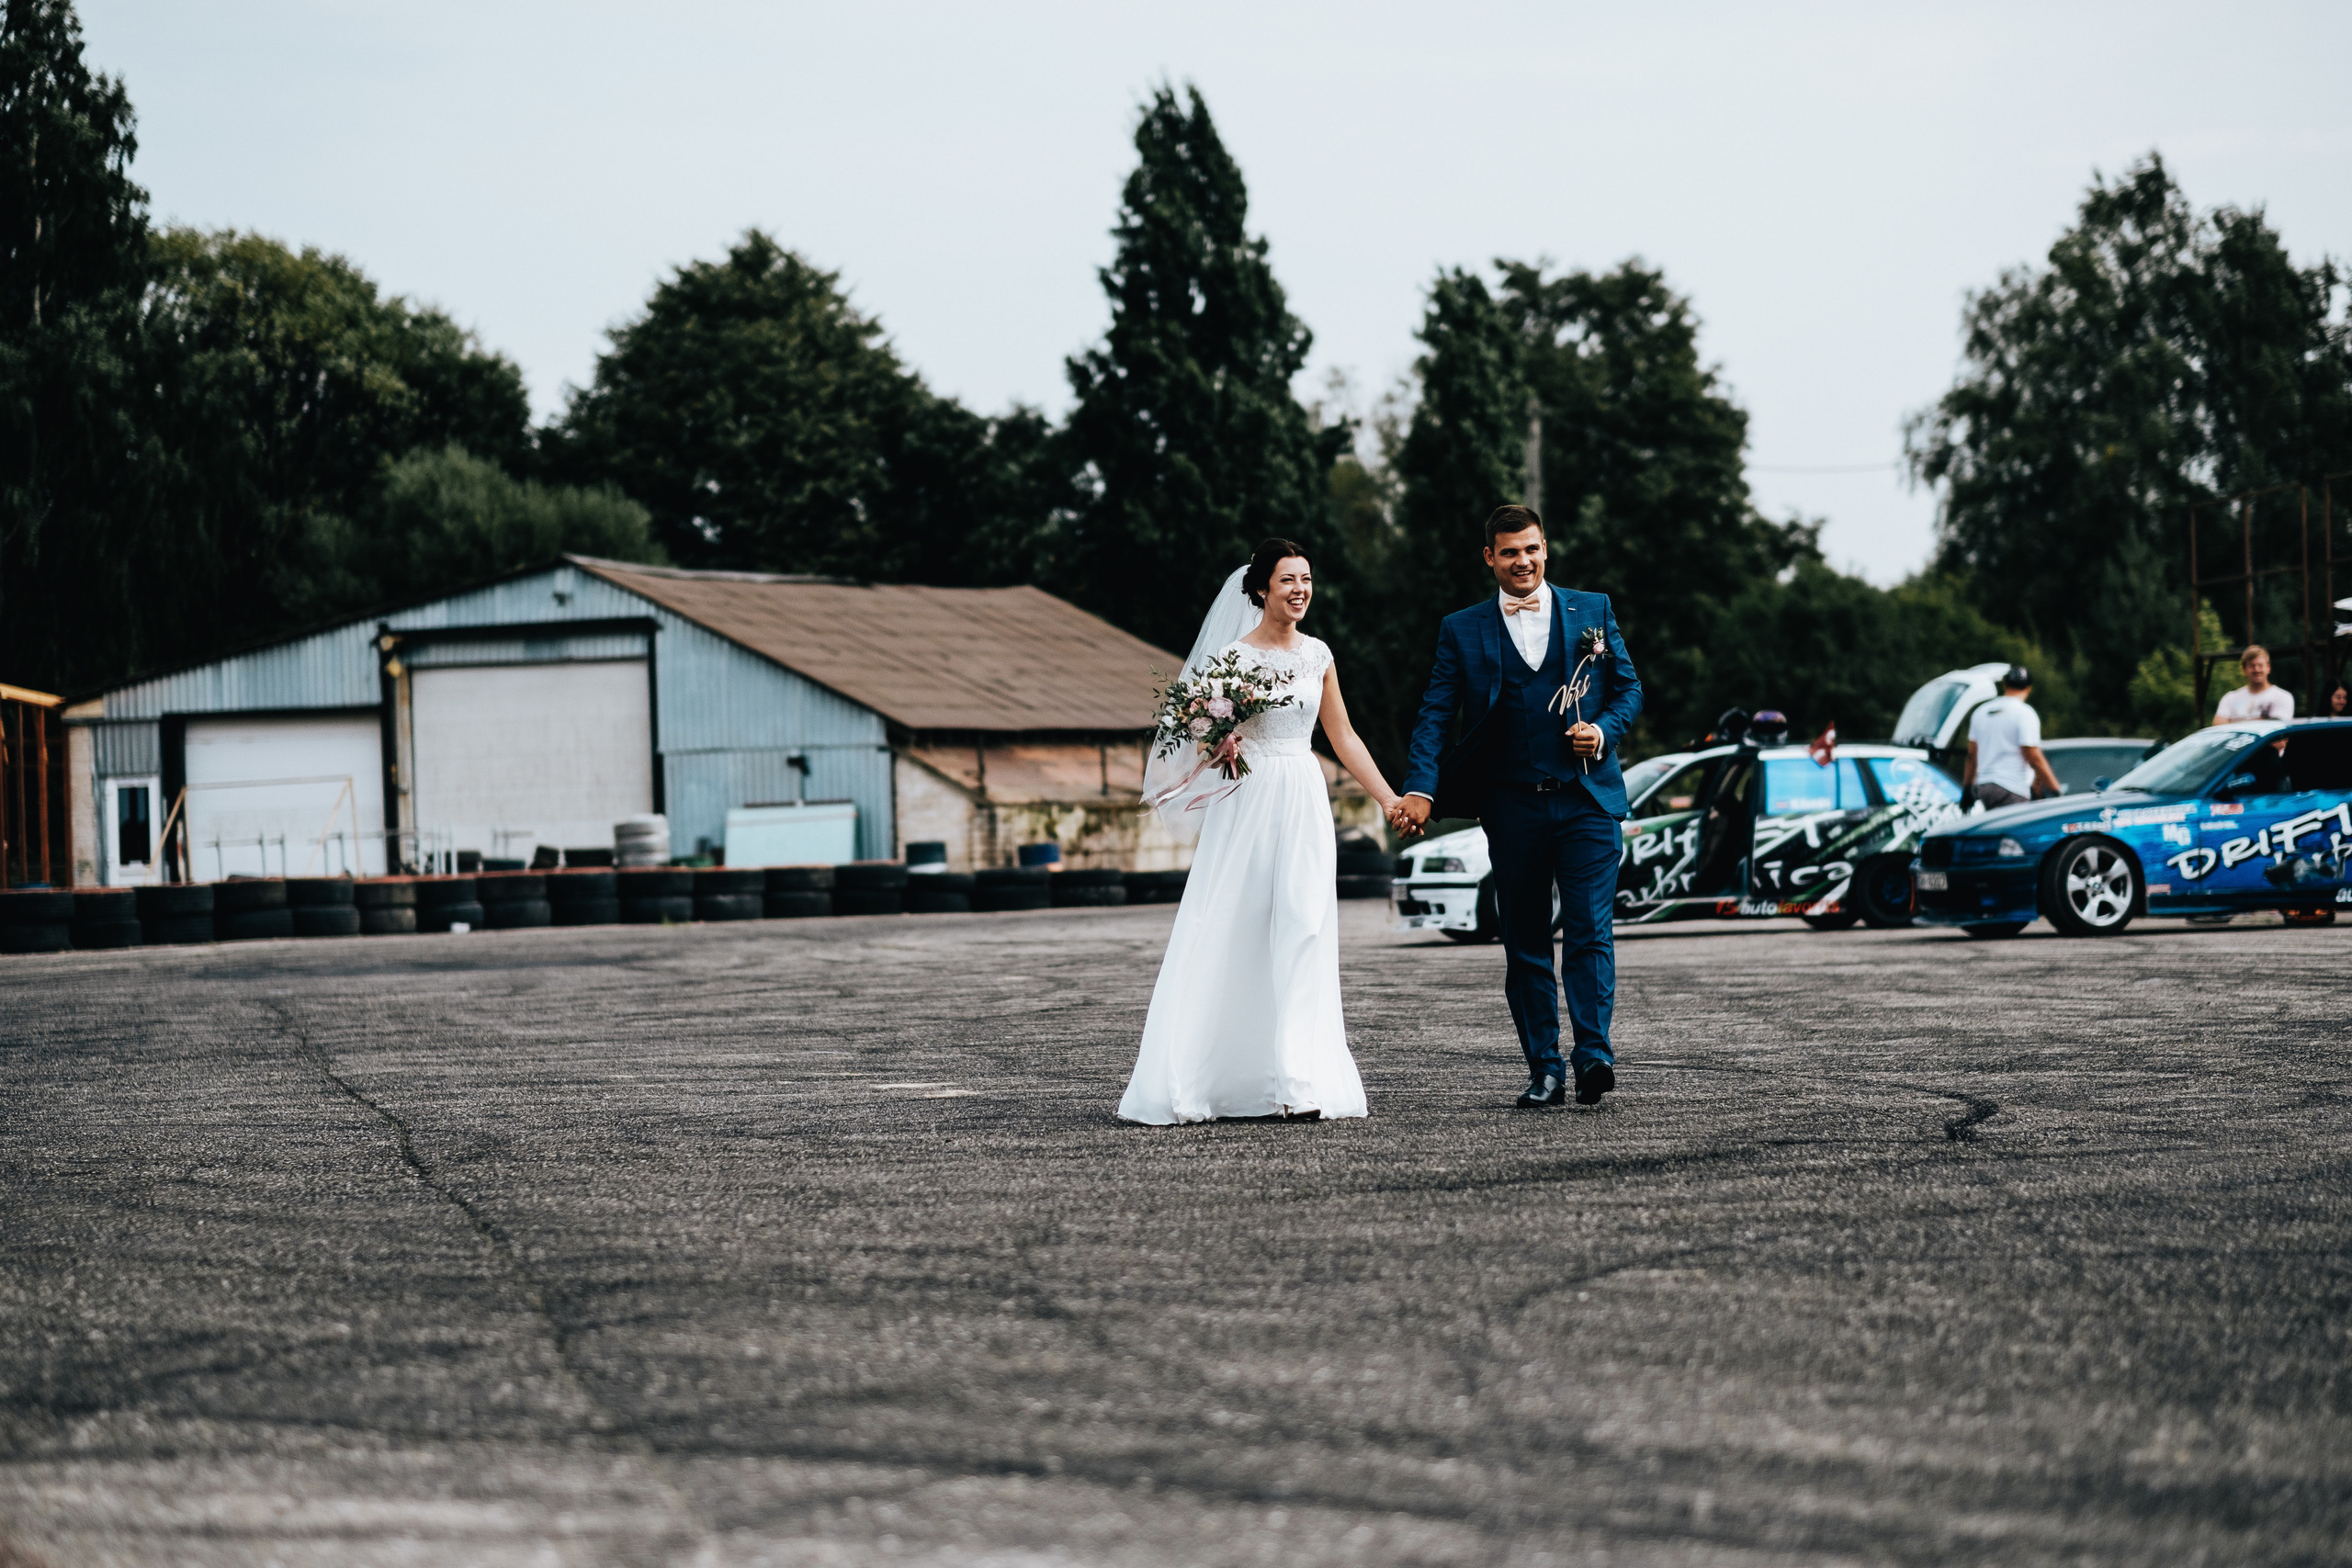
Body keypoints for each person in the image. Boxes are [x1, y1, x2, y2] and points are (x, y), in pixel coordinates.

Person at [1117, 540, 1405, 1124]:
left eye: (1306, 579)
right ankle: (1206, 1072)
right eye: (1287, 581)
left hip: (1302, 792)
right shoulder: (1233, 658)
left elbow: (1343, 737)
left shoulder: (1319, 654)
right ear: (1260, 590)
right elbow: (1191, 728)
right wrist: (1215, 742)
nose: (1299, 589)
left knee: (1304, 923)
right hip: (1248, 798)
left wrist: (1389, 797)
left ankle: (1297, 1080)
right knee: (1235, 923)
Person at [1389, 505, 1644, 1110]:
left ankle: (1593, 1055)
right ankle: (1545, 1069)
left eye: (1530, 549)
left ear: (1545, 549)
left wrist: (1604, 730)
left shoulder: (1593, 610)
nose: (1522, 561)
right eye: (1509, 552)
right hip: (1510, 805)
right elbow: (1434, 714)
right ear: (1490, 558)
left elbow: (1629, 688)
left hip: (1586, 800)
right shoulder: (1462, 628)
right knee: (1525, 940)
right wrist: (1421, 786)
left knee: (1588, 930)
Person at [1962, 666, 2060, 810]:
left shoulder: (1981, 712)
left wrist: (1967, 789)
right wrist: (2055, 790)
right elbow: (2033, 757)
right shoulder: (2025, 713)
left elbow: (1971, 755)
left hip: (1984, 788)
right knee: (2013, 832)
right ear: (2029, 688)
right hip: (2012, 788)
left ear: (2005, 685)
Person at [2214, 645, 2294, 723]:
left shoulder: (2282, 697)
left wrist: (2235, 722)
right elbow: (2218, 727)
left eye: (2260, 665)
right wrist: (2263, 721)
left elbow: (2279, 732)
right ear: (2244, 669)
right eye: (2252, 666)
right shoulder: (2230, 698)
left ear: (2268, 668)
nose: (2256, 670)